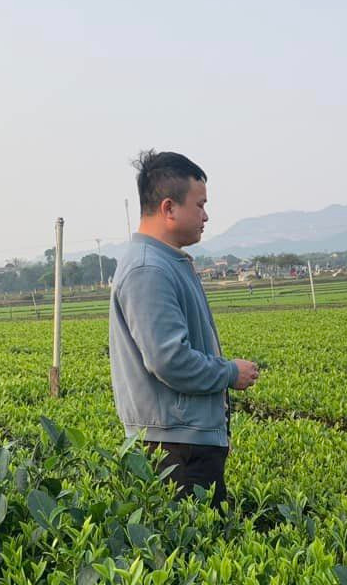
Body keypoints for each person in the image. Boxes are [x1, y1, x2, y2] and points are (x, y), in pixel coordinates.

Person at [109, 150, 259, 507]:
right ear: (168, 208)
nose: (206, 215)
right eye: (200, 204)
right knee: (198, 552)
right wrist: (229, 373)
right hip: (177, 449)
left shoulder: (166, 261)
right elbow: (169, 360)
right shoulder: (149, 269)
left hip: (186, 442)